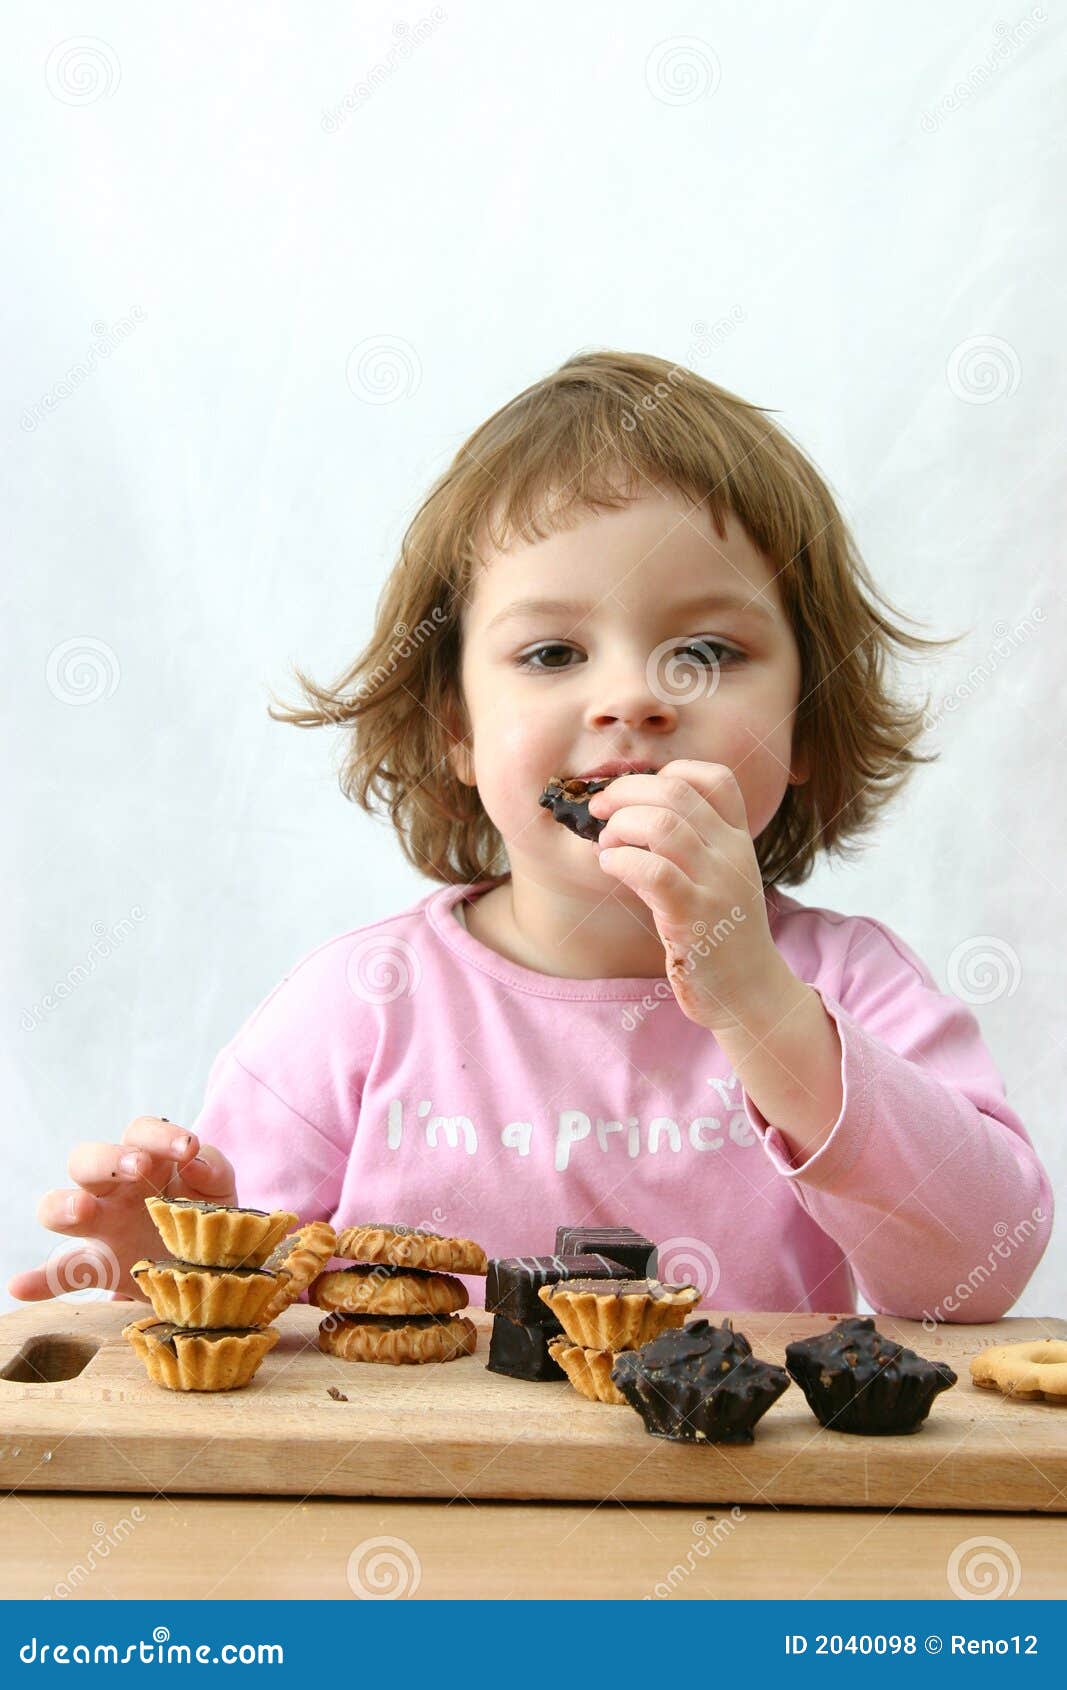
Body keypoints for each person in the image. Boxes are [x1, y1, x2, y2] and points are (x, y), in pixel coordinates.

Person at [9, 350, 1053, 1321]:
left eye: (706, 648)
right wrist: (171, 1259)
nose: (633, 696)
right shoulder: (355, 1014)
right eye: (553, 652)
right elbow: (233, 1310)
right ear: (455, 728)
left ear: (806, 722)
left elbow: (971, 1278)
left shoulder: (849, 987)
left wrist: (756, 1001)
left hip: (748, 1513)